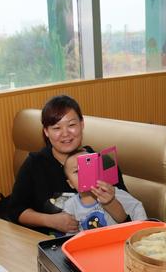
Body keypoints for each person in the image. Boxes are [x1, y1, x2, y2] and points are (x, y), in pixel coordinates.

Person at [8, 94, 127, 237]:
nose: (65, 134)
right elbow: (15, 210)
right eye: (56, 128)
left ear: (82, 124)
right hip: (48, 243)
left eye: (71, 125)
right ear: (46, 132)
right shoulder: (34, 163)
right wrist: (50, 221)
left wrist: (109, 202)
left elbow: (129, 216)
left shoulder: (104, 161)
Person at [62, 149, 147, 236]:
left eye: (89, 167)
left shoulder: (114, 193)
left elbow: (137, 209)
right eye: (77, 171)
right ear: (70, 183)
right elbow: (71, 236)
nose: (85, 174)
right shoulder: (70, 206)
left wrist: (141, 234)